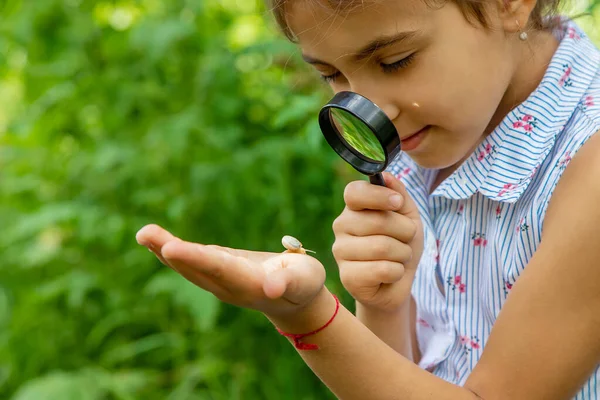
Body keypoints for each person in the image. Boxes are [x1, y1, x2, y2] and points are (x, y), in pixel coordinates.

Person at [136, 0, 600, 398]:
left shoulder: (588, 172)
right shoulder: (429, 137)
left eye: (395, 61)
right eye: (331, 74)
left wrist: (309, 319)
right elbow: (413, 377)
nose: (370, 109)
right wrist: (383, 305)